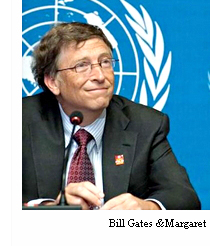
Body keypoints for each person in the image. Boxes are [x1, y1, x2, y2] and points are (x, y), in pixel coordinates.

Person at [22, 22, 201, 210]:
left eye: (105, 62)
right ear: (52, 82)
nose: (100, 75)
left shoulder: (145, 124)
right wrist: (53, 208)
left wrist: (148, 208)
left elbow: (185, 198)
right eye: (82, 66)